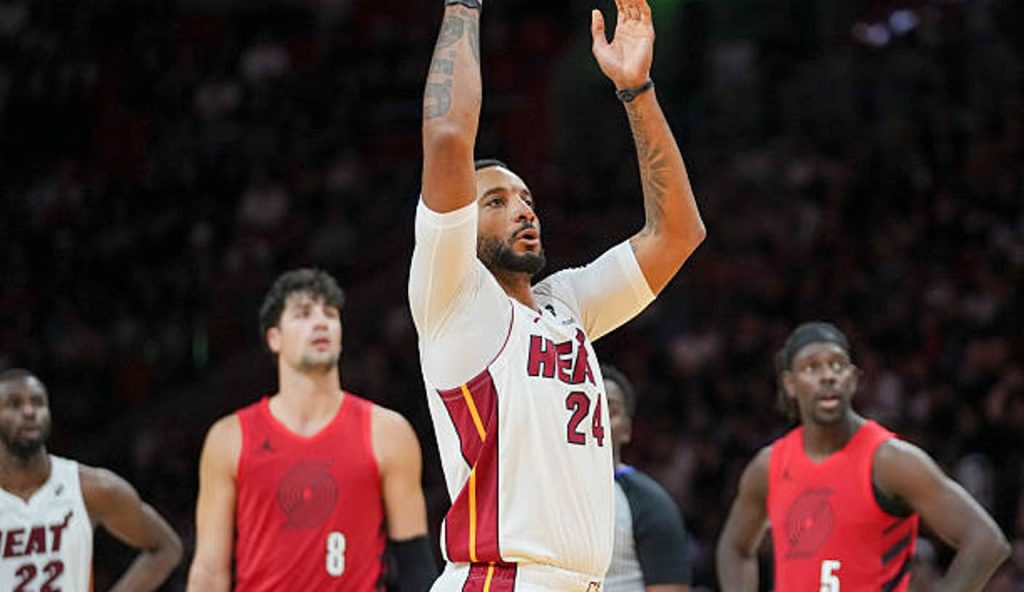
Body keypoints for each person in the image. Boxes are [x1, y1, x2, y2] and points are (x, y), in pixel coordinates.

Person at [411, 0, 705, 588]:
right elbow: (447, 136)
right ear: (457, 225)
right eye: (496, 202)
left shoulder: (564, 303)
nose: (522, 210)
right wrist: (464, 6)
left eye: (527, 199)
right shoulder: (452, 299)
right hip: (499, 579)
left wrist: (636, 90)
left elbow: (678, 233)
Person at [187, 269, 435, 591]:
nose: (321, 322)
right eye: (303, 314)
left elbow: (414, 565)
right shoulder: (228, 439)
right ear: (274, 338)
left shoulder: (388, 432)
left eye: (330, 314)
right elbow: (209, 570)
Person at [715, 322, 1010, 592]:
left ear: (853, 379)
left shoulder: (890, 460)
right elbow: (734, 547)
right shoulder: (768, 466)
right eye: (812, 367)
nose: (827, 376)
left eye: (836, 365)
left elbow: (986, 541)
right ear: (790, 384)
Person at [0, 368, 182, 591]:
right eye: (14, 404)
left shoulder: (91, 488)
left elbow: (167, 547)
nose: (29, 411)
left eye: (38, 402)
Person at [602, 365, 692, 592]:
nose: (597, 419)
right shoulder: (536, 492)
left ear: (627, 430)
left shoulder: (650, 502)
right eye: (586, 406)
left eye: (610, 411)